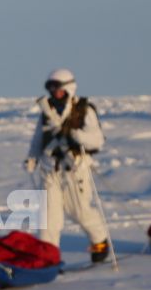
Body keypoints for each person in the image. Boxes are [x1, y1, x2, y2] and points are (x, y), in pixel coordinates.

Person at [23, 67, 112, 262]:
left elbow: (97, 140)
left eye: (59, 88)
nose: (56, 92)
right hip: (49, 170)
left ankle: (100, 241)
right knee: (48, 217)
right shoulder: (47, 111)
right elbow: (39, 137)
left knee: (80, 211)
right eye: (52, 88)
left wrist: (75, 137)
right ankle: (49, 256)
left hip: (75, 169)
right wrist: (32, 157)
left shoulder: (84, 109)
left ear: (69, 88)